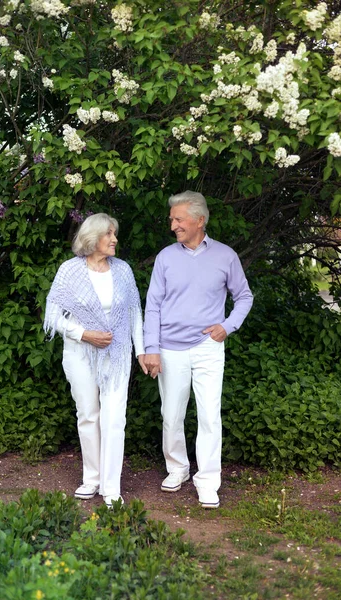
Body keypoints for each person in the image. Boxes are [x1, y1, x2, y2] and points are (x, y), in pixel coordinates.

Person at [143, 191, 253, 509]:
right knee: (172, 414)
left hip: (208, 346)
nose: (173, 225)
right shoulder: (166, 258)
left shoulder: (225, 256)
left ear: (199, 220)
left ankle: (207, 481)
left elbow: (244, 296)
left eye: (178, 219)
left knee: (208, 416)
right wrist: (151, 348)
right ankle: (177, 469)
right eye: (172, 219)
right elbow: (153, 307)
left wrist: (228, 326)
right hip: (169, 349)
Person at [44, 213, 147, 508]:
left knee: (114, 418)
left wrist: (140, 350)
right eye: (109, 234)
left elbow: (134, 314)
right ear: (93, 238)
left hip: (117, 355)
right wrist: (84, 334)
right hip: (79, 353)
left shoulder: (123, 271)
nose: (115, 239)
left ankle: (111, 487)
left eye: (115, 234)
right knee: (88, 414)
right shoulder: (69, 271)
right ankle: (92, 478)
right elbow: (53, 315)